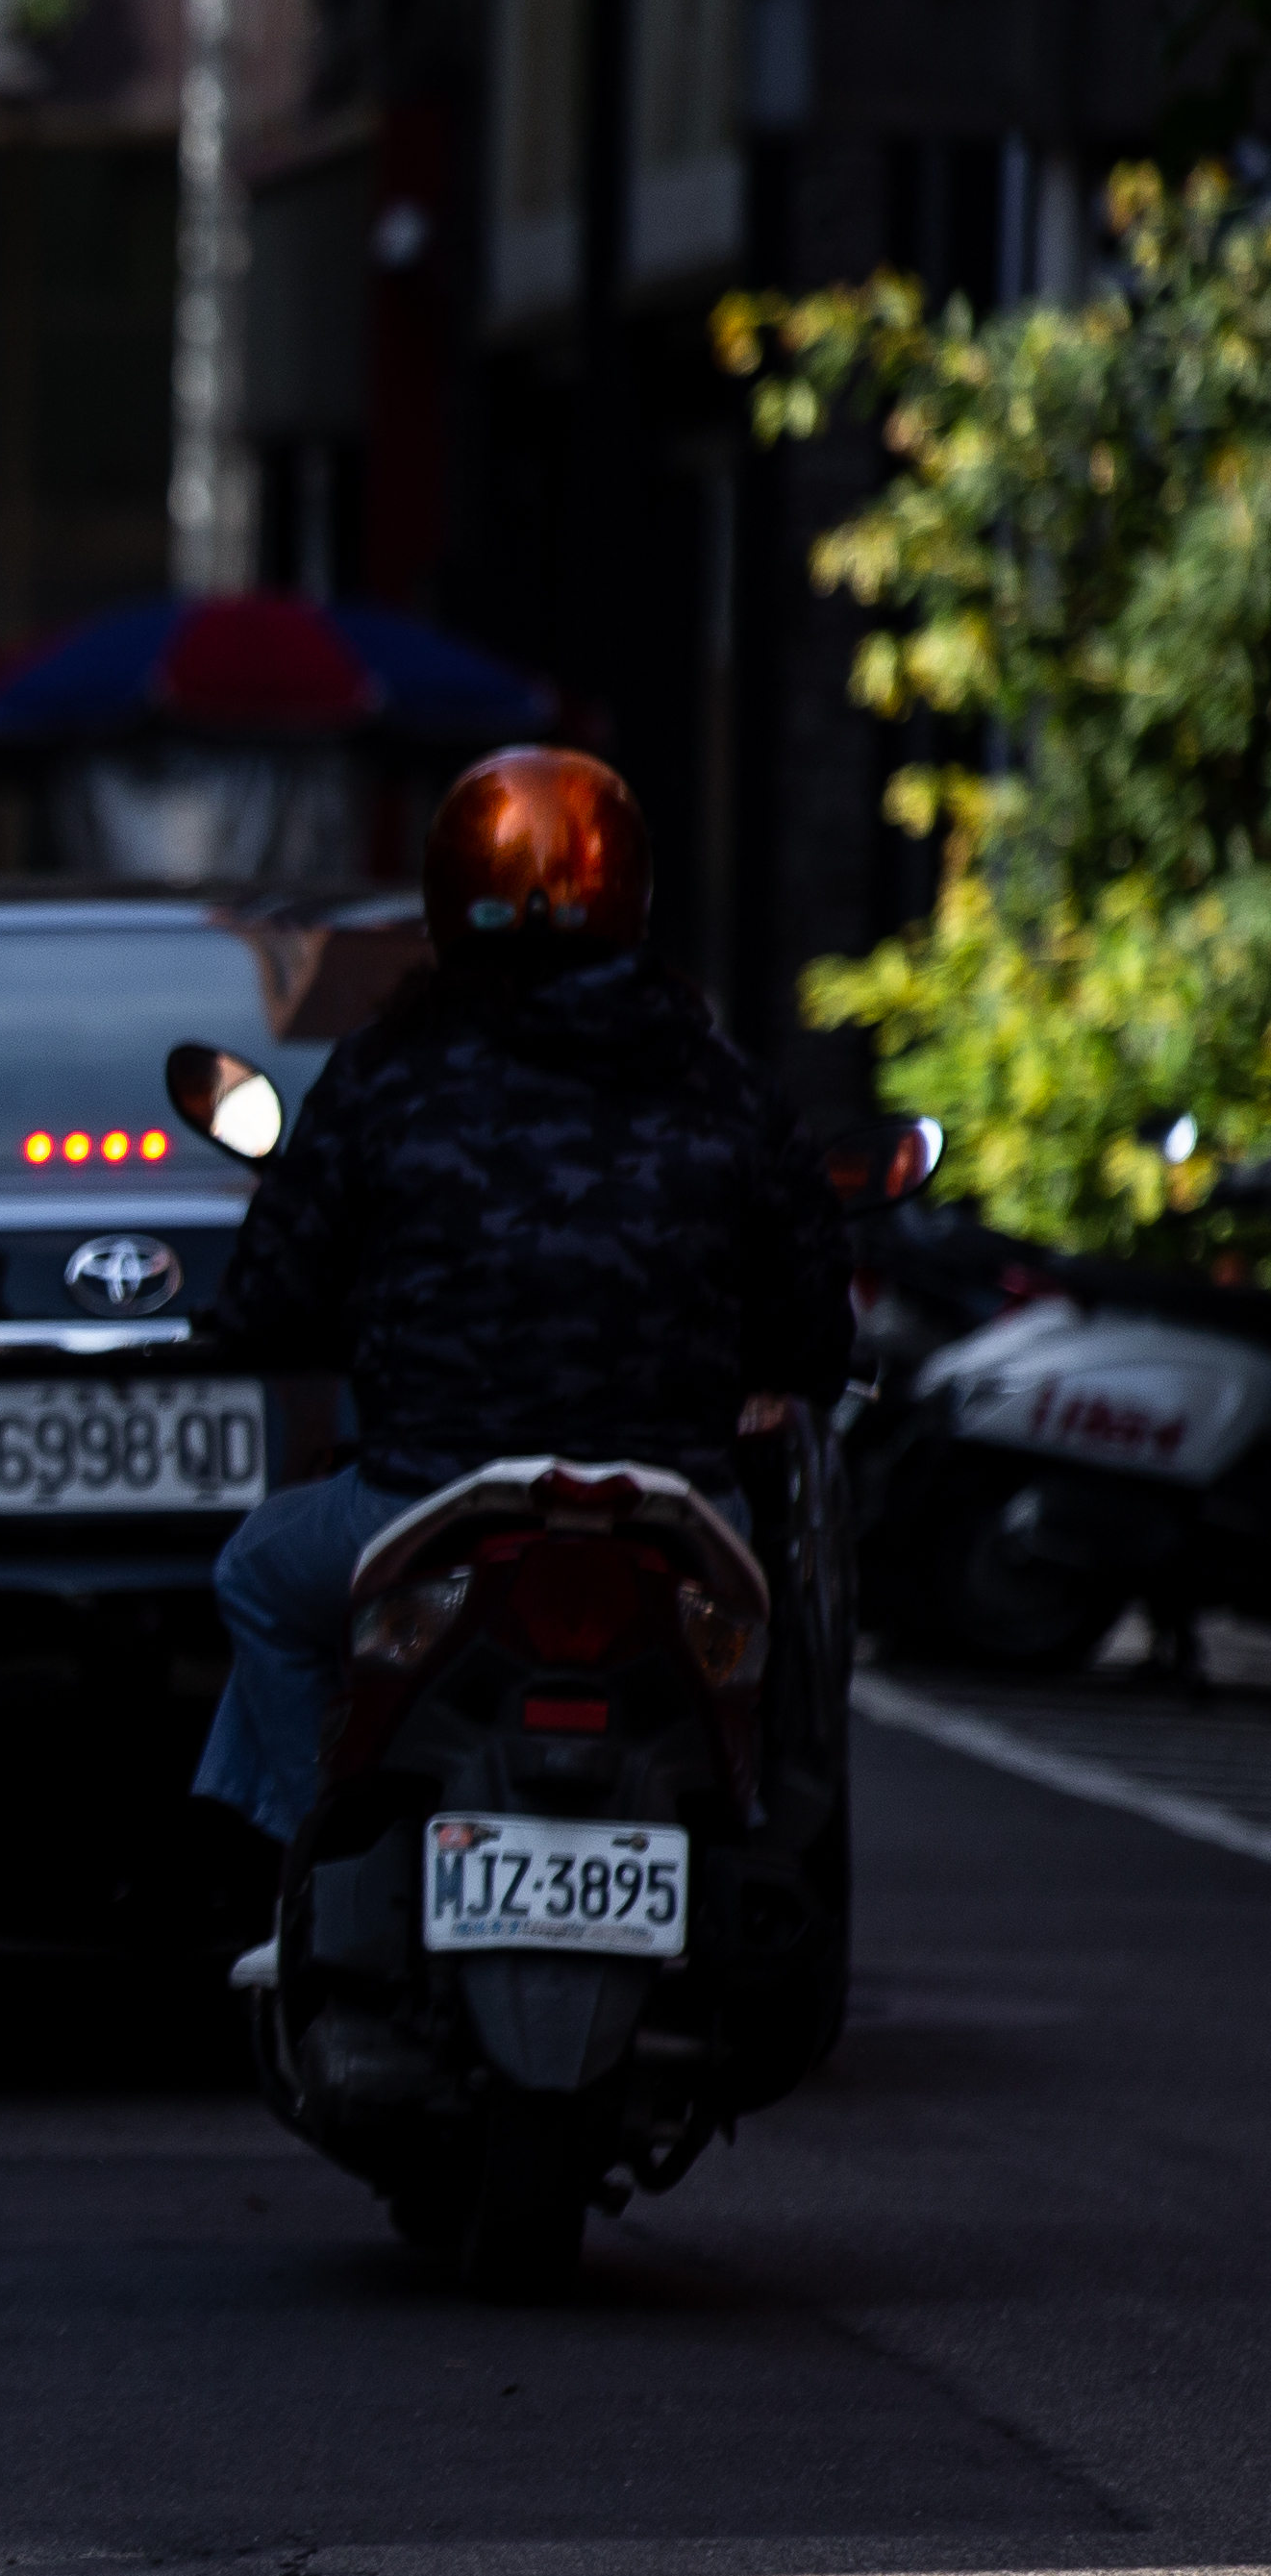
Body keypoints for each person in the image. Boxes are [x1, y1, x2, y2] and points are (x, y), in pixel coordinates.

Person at [189, 746, 851, 1870]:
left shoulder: (388, 1072)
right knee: (777, 1624)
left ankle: (327, 1862)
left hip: (423, 1501)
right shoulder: (725, 1080)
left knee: (258, 1570)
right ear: (633, 896)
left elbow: (273, 1294)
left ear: (451, 898)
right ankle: (737, 1841)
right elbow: (810, 1326)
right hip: (679, 1510)